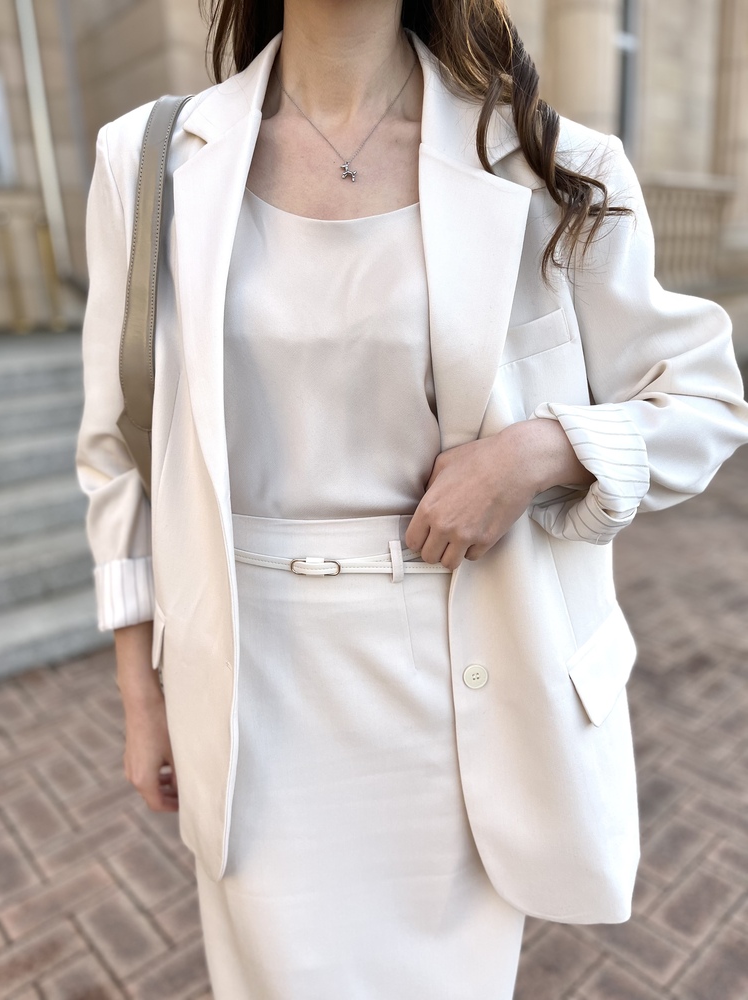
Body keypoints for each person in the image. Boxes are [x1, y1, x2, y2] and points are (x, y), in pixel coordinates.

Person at [75, 0, 748, 997]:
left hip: (467, 689)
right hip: (253, 700)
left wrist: (539, 452)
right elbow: (118, 451)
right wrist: (142, 697)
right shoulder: (152, 160)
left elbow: (703, 397)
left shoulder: (550, 162)